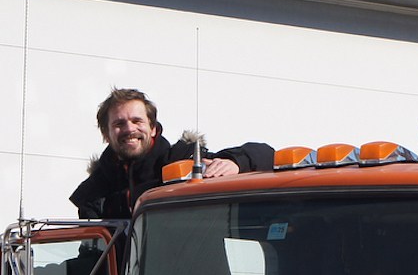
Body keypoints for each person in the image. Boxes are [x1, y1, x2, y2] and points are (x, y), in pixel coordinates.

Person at [69, 88, 275, 219]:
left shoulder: (183, 161)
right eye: (119, 123)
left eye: (137, 121)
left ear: (153, 128)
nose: (129, 129)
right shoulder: (94, 192)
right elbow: (94, 257)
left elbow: (266, 155)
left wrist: (235, 162)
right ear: (106, 134)